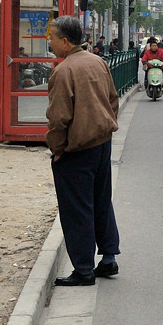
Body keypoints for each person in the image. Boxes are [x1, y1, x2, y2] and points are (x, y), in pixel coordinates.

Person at [45, 15, 121, 287]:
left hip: (77, 149)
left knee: (77, 208)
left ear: (65, 42)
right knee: (101, 200)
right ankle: (109, 256)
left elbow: (59, 118)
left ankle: (84, 268)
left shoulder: (63, 71)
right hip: (102, 142)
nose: (50, 43)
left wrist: (57, 148)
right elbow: (113, 99)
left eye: (52, 39)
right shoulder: (97, 62)